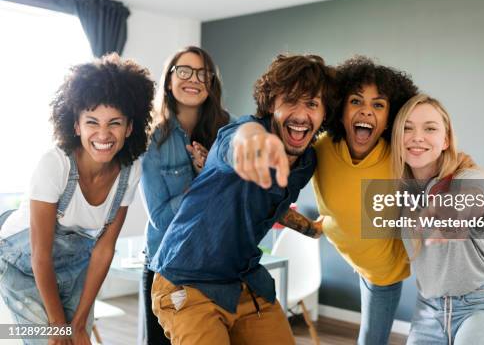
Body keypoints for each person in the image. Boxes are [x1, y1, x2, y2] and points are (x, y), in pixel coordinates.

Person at [149, 54, 336, 344]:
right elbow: (238, 140)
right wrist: (251, 142)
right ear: (271, 105)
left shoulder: (307, 160)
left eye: (312, 104)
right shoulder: (243, 132)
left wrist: (312, 228)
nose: (301, 114)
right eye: (290, 101)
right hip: (187, 281)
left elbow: (274, 204)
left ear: (324, 113)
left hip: (244, 282)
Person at [0, 54, 154, 345]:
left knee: (78, 338)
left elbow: (104, 250)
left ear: (130, 127)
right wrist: (60, 327)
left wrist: (80, 322)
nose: (104, 134)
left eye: (115, 123)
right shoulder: (55, 165)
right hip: (19, 265)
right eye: (92, 122)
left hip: (73, 266)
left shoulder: (130, 170)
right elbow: (40, 256)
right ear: (77, 126)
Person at [391, 94, 484, 344]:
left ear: (445, 139)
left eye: (430, 128)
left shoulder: (468, 176)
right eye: (407, 128)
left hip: (483, 306)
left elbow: (472, 196)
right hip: (428, 312)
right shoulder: (399, 190)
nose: (417, 137)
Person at [311, 55, 418, 345]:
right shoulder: (320, 149)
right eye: (356, 101)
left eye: (378, 105)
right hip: (352, 252)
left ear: (388, 120)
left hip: (384, 273)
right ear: (341, 110)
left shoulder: (400, 158)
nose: (366, 111)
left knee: (371, 340)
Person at [140, 46, 231, 344]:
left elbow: (232, 201)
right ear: (169, 80)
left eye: (203, 73)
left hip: (216, 264)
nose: (193, 79)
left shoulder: (225, 132)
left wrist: (214, 171)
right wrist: (203, 182)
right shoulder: (152, 138)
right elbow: (160, 218)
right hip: (168, 266)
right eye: (184, 71)